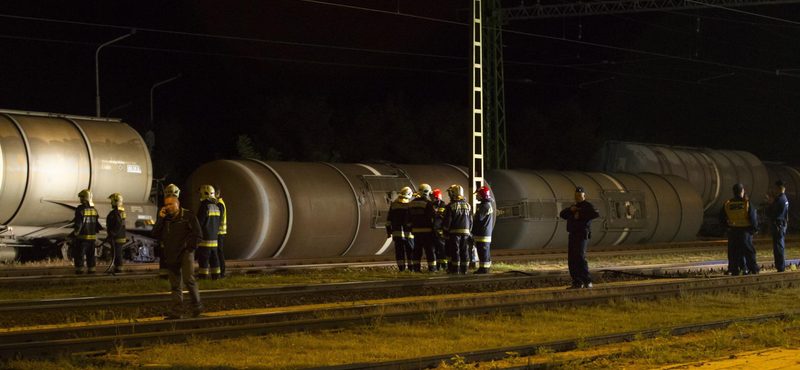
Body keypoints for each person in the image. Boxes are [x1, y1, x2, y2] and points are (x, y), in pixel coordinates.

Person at [152, 194, 203, 319]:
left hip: (185, 253)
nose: (168, 207)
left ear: (177, 204)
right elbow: (154, 233)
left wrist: (189, 248)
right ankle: (177, 312)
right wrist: (161, 218)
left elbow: (198, 234)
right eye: (166, 204)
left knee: (188, 280)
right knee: (175, 285)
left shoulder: (187, 217)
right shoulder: (166, 220)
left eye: (170, 204)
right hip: (171, 254)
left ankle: (197, 307)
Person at [559, 187, 599, 289]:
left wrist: (580, 215)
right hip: (572, 234)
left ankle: (587, 281)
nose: (577, 197)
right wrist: (570, 210)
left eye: (579, 195)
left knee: (580, 257)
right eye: (576, 195)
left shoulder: (588, 206)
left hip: (582, 234)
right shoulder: (573, 208)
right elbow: (562, 214)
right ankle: (577, 281)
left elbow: (596, 213)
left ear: (584, 196)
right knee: (572, 259)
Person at [719, 183, 759, 275]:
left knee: (733, 252)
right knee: (749, 251)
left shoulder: (728, 204)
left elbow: (721, 218)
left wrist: (727, 228)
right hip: (745, 232)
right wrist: (755, 229)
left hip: (733, 232)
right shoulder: (746, 203)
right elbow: (753, 218)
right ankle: (753, 269)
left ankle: (734, 270)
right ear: (742, 192)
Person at [71, 189, 104, 274]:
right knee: (91, 255)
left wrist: (75, 234)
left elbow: (79, 224)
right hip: (92, 238)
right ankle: (91, 270)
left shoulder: (80, 210)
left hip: (82, 238)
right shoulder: (94, 210)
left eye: (81, 197)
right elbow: (96, 224)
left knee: (80, 255)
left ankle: (79, 270)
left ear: (84, 198)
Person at [442, 184, 472, 274]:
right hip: (466, 233)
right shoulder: (468, 206)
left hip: (454, 233)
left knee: (455, 251)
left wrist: (445, 232)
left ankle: (455, 270)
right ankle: (465, 270)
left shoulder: (450, 206)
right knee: (465, 251)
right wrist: (469, 231)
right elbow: (471, 221)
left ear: (454, 193)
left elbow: (447, 222)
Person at [196, 185, 222, 279]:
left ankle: (203, 277)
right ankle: (216, 276)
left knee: (204, 260)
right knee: (215, 259)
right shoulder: (216, 207)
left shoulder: (204, 207)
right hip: (214, 240)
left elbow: (199, 223)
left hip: (205, 241)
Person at [409, 184, 437, 272]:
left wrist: (411, 228)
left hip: (416, 232)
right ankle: (432, 269)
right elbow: (432, 217)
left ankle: (416, 269)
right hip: (427, 231)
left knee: (417, 251)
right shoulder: (427, 203)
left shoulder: (411, 203)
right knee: (430, 251)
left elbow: (407, 218)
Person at [386, 187, 415, 272]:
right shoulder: (409, 205)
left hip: (397, 233)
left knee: (399, 252)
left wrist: (388, 231)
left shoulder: (394, 204)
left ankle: (401, 269)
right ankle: (411, 268)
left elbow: (389, 219)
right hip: (408, 233)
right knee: (410, 251)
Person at [157, 183, 182, 279]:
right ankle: (168, 277)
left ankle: (166, 277)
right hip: (170, 242)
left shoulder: (162, 211)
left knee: (165, 261)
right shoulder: (180, 211)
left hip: (169, 242)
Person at [767, 180, 789, 272]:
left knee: (779, 247)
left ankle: (781, 267)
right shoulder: (784, 199)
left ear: (779, 188)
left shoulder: (780, 200)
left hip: (778, 225)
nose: (774, 189)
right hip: (781, 225)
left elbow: (772, 212)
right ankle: (780, 266)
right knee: (779, 246)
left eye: (776, 187)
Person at [473, 186, 494, 274]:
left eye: (478, 195)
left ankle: (484, 269)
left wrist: (472, 216)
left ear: (482, 195)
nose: (476, 196)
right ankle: (483, 268)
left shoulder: (484, 206)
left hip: (483, 234)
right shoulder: (486, 205)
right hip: (483, 233)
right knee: (483, 252)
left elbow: (479, 218)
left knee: (483, 252)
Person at [106, 193, 127, 273]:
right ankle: (118, 267)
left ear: (115, 201)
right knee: (117, 252)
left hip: (117, 237)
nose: (111, 203)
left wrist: (112, 233)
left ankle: (118, 269)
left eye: (112, 201)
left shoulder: (115, 213)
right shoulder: (121, 212)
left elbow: (117, 224)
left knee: (117, 253)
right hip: (121, 236)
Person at [430, 188, 448, 272]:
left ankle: (444, 267)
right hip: (433, 232)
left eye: (433, 197)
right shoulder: (431, 206)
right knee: (434, 251)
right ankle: (436, 267)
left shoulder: (443, 206)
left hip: (440, 233)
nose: (431, 199)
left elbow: (444, 218)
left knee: (442, 251)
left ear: (437, 197)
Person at [216, 187, 228, 279]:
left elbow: (218, 220)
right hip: (220, 232)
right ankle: (220, 272)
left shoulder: (219, 204)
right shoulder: (220, 203)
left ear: (217, 193)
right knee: (218, 252)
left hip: (219, 232)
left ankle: (222, 273)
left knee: (219, 252)